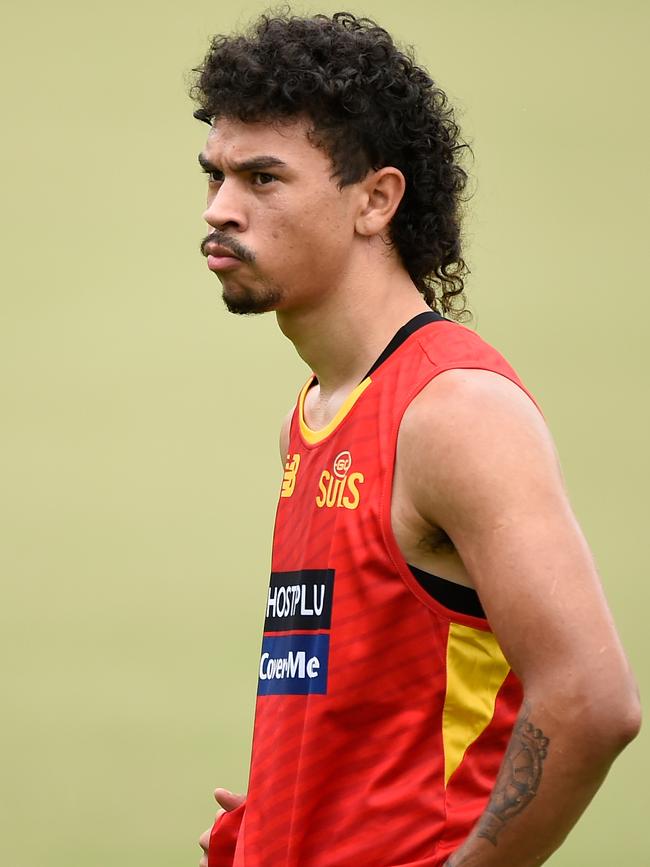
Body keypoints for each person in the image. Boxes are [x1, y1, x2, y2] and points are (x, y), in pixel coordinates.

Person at [190, 11, 640, 867]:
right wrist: (300, 803)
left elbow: (591, 698)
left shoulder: (454, 410)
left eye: (263, 178)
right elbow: (390, 694)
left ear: (376, 200)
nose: (220, 208)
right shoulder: (316, 413)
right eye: (213, 175)